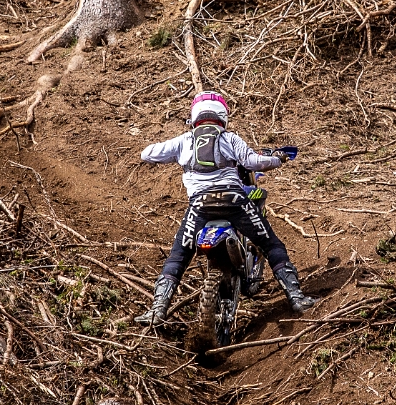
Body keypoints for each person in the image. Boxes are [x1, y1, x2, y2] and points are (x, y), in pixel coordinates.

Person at [134, 91, 315, 324]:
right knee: (271, 245)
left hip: (200, 205)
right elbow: (253, 162)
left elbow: (147, 153)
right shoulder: (230, 138)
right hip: (234, 201)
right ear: (223, 116)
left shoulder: (184, 141)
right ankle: (297, 298)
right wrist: (278, 159)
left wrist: (176, 155)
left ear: (194, 116)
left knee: (178, 257)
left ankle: (157, 311)